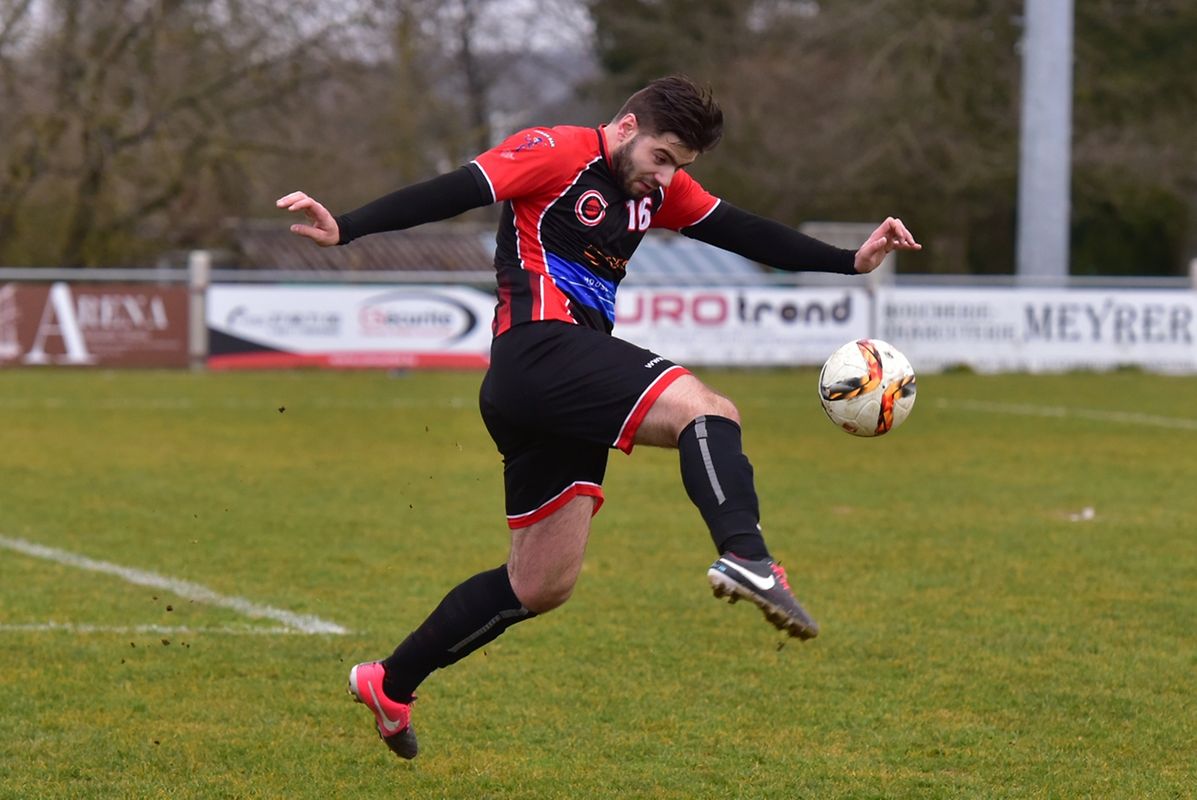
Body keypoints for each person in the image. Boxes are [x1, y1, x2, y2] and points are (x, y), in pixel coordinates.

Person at [277, 75, 920, 759]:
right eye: (662, 157)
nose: (665, 177)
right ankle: (747, 556)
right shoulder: (557, 150)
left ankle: (390, 682)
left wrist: (850, 262)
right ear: (626, 127)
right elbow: (457, 189)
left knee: (540, 583)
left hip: (549, 390)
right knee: (708, 411)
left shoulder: (657, 189)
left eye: (679, 166)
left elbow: (741, 230)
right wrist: (348, 226)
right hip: (538, 349)